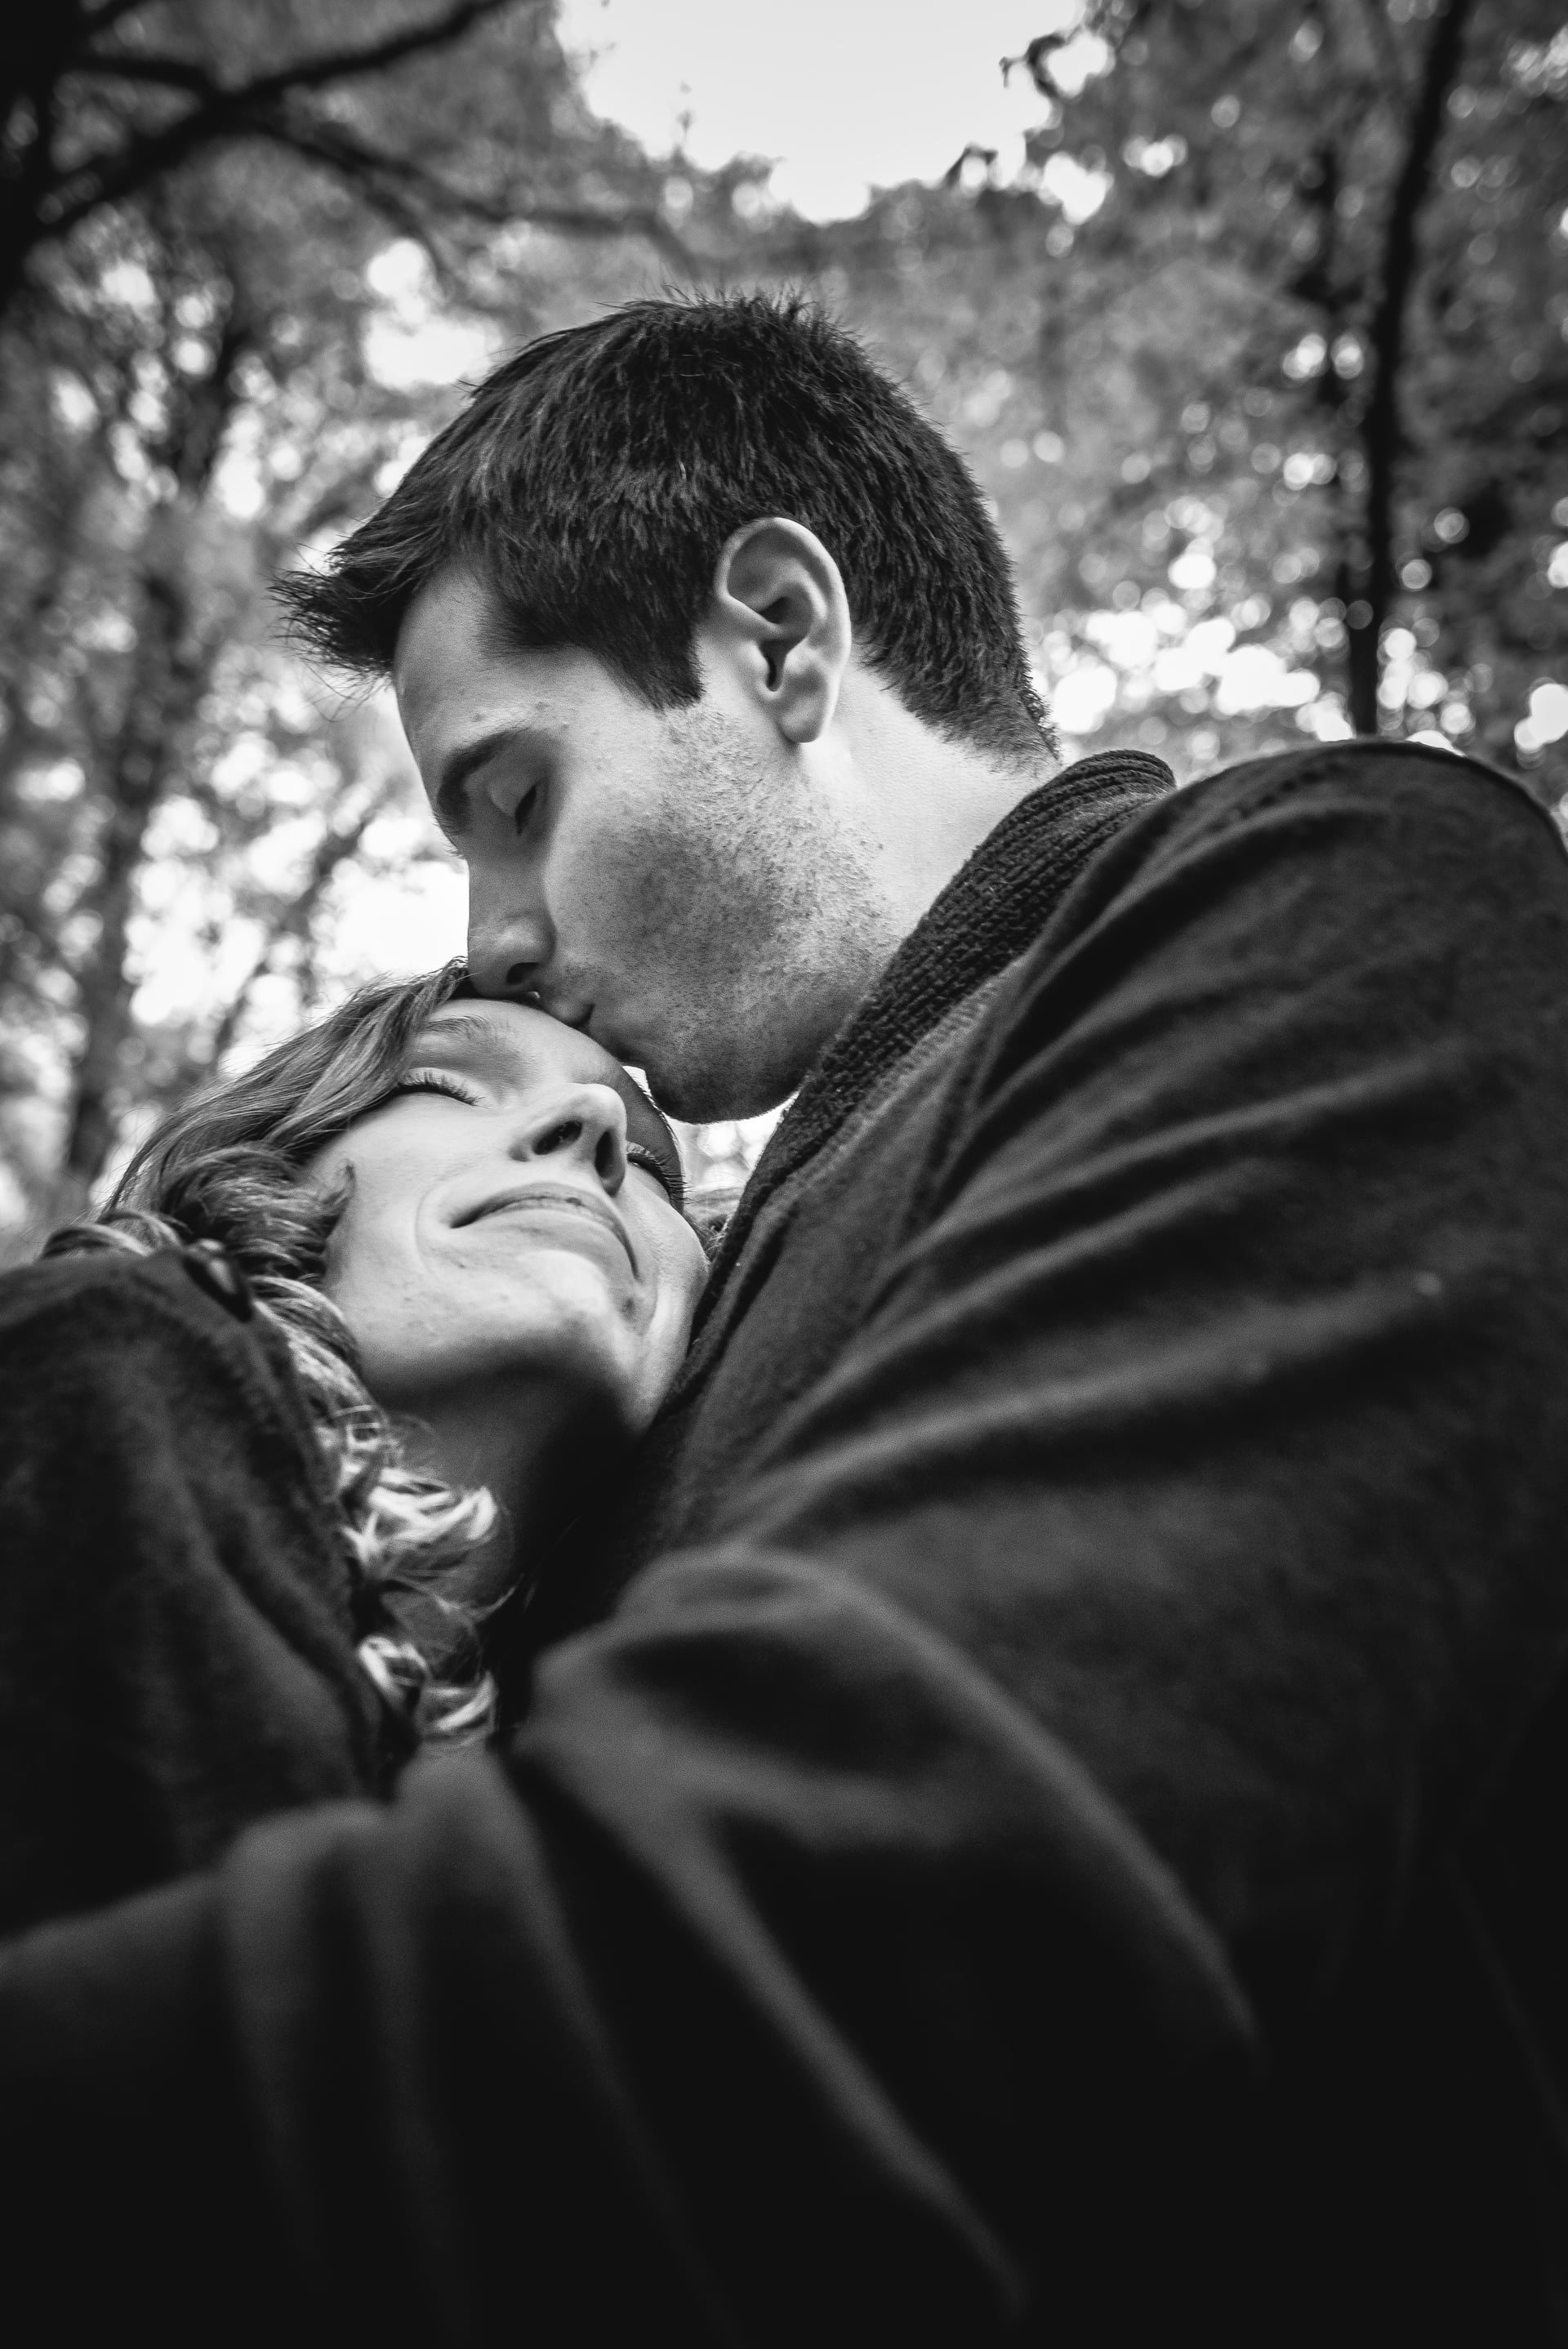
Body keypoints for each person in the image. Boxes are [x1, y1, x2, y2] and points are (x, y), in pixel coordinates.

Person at [5, 291, 1568, 2346]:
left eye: (513, 795)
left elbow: (864, 1954)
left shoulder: (1336, 907)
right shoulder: (656, 1348)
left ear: (775, 636)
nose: (499, 944)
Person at [0, 963, 705, 1935]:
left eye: (663, 1173)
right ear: (256, 1179)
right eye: (443, 1085)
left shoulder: (666, 1758)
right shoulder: (95, 1368)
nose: (595, 1121)